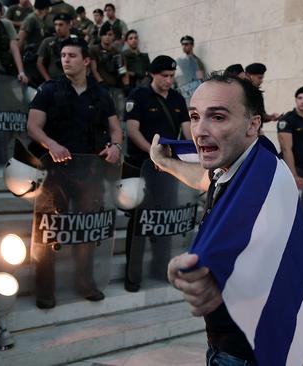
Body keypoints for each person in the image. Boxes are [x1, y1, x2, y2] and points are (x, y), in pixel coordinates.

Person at [149, 73, 303, 365]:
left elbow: (242, 218)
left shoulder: (268, 175)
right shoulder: (238, 165)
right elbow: (206, 179)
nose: (199, 130)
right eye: (195, 116)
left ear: (253, 124)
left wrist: (204, 267)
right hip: (225, 344)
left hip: (248, 353)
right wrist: (165, 162)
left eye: (217, 117)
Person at [26, 37, 122, 309]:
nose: (66, 60)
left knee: (88, 230)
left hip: (91, 173)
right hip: (54, 173)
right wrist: (51, 144)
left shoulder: (101, 95)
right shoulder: (49, 89)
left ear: (87, 61)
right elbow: (33, 125)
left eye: (72, 56)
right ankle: (45, 290)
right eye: (64, 55)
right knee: (48, 230)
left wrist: (115, 146)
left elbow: (116, 129)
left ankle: (86, 283)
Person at [122, 55, 190, 291]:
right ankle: (133, 275)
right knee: (140, 221)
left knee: (165, 219)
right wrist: (153, 154)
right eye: (165, 76)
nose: (169, 81)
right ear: (152, 74)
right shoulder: (138, 96)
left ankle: (161, 268)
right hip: (142, 166)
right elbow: (132, 131)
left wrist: (192, 154)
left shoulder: (178, 99)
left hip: (168, 169)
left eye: (172, 76)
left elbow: (187, 131)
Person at [89, 22, 128, 121]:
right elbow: (94, 69)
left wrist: (127, 86)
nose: (107, 37)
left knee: (120, 114)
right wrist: (101, 82)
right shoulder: (94, 49)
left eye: (110, 34)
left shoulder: (117, 52)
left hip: (116, 87)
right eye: (104, 34)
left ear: (114, 36)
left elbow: (123, 70)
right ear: (101, 36)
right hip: (100, 87)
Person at [18, 0, 49, 86]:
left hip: (38, 57)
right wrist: (18, 60)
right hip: (30, 58)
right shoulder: (31, 19)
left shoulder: (40, 19)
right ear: (46, 8)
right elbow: (21, 39)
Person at [37, 12, 73, 82]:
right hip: (54, 80)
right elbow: (39, 63)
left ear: (69, 25)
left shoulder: (76, 42)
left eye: (61, 25)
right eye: (55, 25)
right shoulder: (48, 42)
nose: (58, 28)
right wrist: (48, 80)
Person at [174, 34, 206, 103]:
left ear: (192, 45)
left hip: (195, 97)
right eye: (182, 44)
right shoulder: (180, 62)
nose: (184, 46)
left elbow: (200, 80)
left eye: (186, 44)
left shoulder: (197, 61)